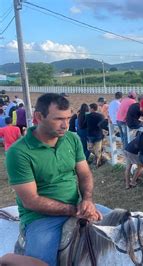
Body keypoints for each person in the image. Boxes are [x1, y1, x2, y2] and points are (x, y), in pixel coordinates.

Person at [6, 93, 105, 265]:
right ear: (38, 117)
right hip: (40, 217)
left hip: (77, 205)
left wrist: (87, 200)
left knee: (126, 233)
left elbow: (84, 173)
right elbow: (31, 201)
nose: (65, 125)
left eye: (68, 118)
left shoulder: (71, 139)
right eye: (58, 119)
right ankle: (7, 260)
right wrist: (74, 210)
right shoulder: (19, 152)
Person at [86, 103, 106, 167]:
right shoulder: (101, 116)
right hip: (98, 134)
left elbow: (85, 125)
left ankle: (98, 161)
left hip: (90, 134)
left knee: (90, 149)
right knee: (98, 150)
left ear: (92, 108)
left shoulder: (87, 116)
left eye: (89, 108)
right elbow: (103, 124)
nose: (89, 109)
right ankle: (97, 163)